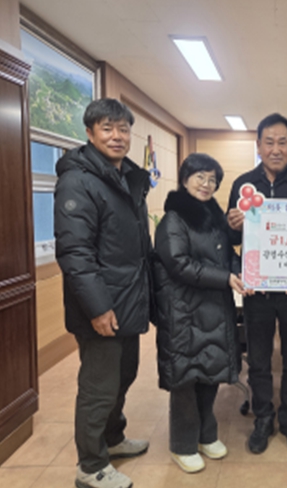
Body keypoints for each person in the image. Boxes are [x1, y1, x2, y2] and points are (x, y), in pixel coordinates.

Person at [54, 98, 153, 488]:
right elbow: (75, 253)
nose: (117, 136)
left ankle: (112, 438)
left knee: (123, 376)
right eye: (107, 128)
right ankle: (91, 466)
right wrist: (98, 308)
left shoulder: (126, 178)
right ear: (90, 133)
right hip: (101, 307)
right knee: (98, 388)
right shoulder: (78, 181)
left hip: (128, 300)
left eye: (123, 129)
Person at [226, 113, 287, 454]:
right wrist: (233, 224)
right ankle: (263, 417)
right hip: (259, 291)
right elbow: (230, 241)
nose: (276, 149)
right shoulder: (243, 185)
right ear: (258, 146)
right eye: (269, 142)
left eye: (283, 142)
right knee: (259, 360)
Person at [153, 153, 245, 473]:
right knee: (186, 380)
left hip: (214, 308)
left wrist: (242, 271)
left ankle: (207, 435)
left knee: (209, 374)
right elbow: (179, 264)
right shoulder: (174, 219)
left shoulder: (213, 215)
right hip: (183, 312)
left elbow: (227, 255)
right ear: (185, 179)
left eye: (212, 180)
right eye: (200, 177)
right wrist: (226, 278)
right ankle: (182, 445)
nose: (206, 185)